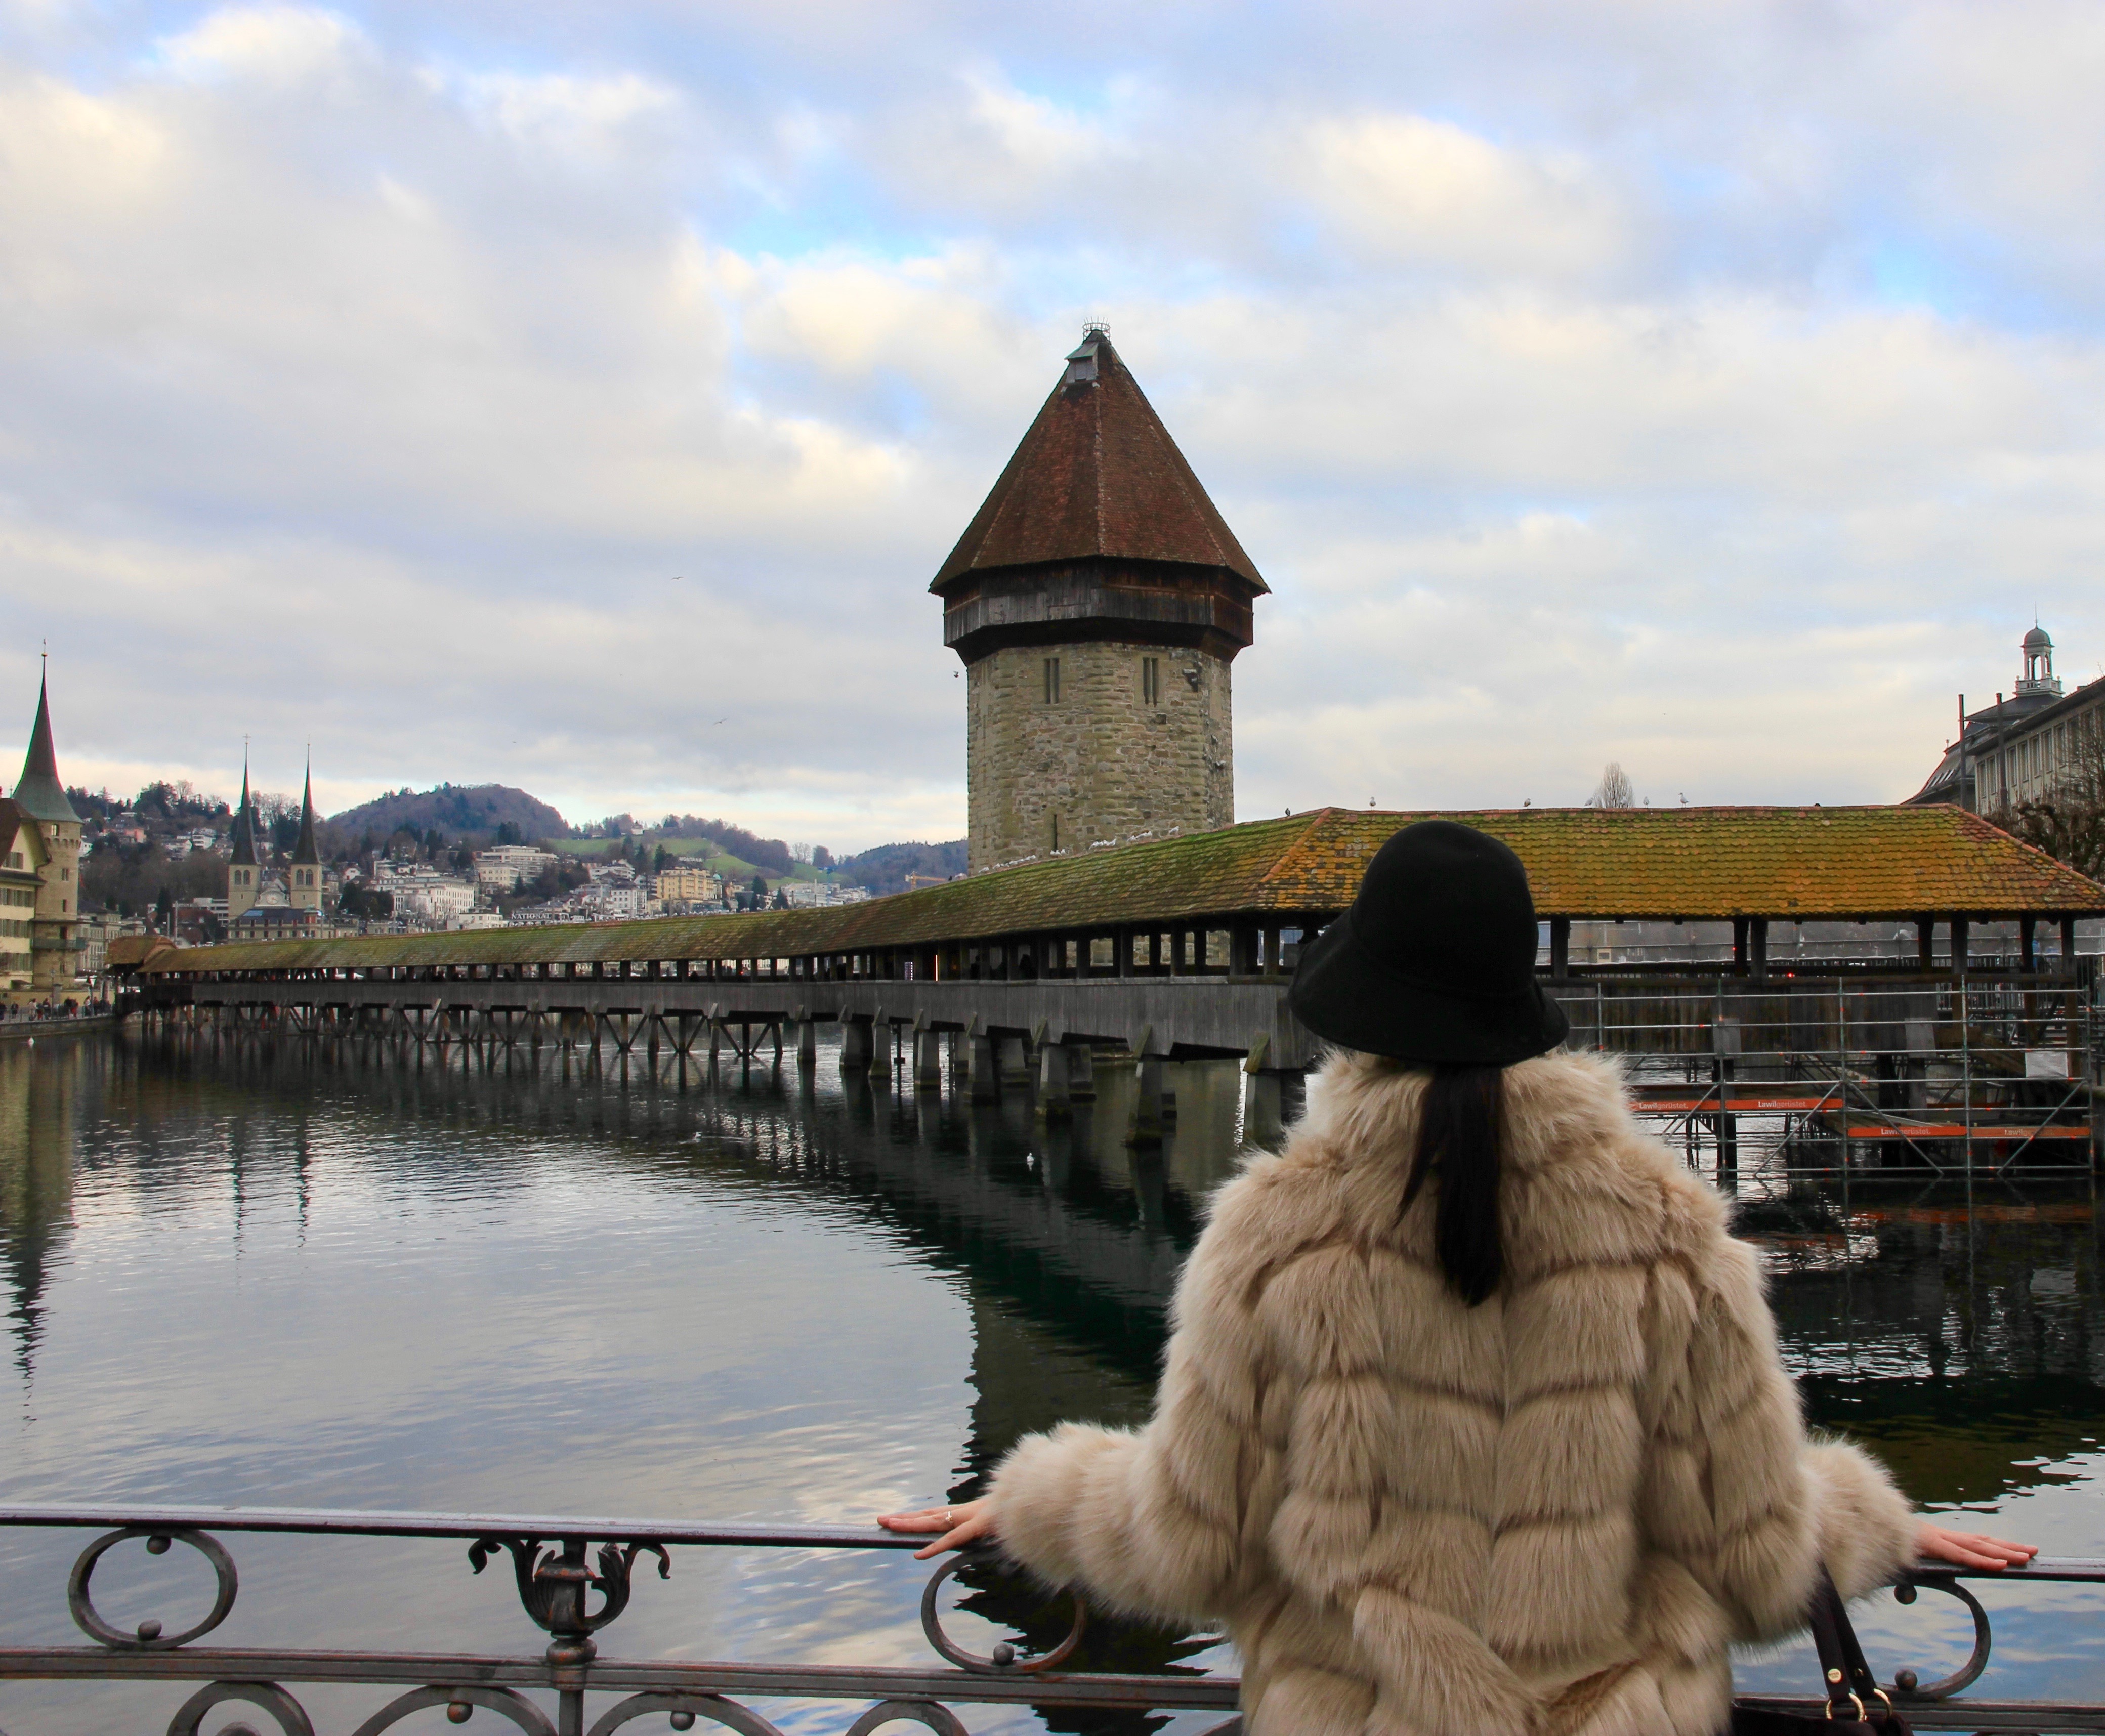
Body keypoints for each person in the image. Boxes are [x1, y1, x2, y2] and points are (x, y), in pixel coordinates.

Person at [882, 821, 2033, 1735]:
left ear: (1358, 1022)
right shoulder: (1668, 1233)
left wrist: (1033, 1500)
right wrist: (1874, 1523)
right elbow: (1757, 1559)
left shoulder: (1274, 1238)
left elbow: (1187, 1544)